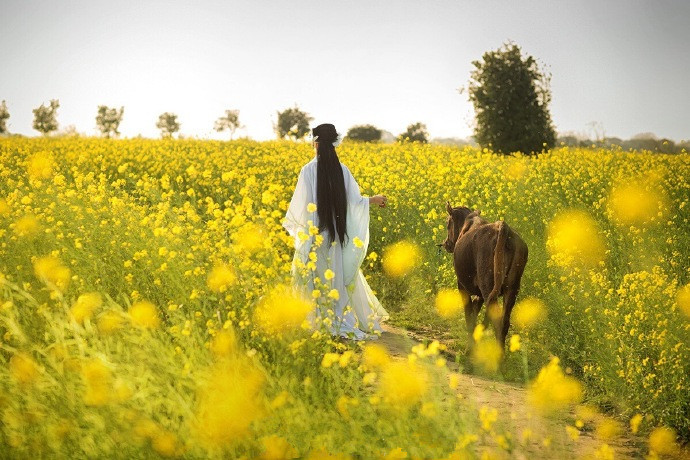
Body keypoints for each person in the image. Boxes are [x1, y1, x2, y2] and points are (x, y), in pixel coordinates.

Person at [283, 123, 389, 340]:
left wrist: (302, 234)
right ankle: (336, 317)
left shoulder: (308, 170)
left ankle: (314, 319)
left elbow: (300, 208)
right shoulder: (342, 170)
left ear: (316, 144)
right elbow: (355, 201)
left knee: (313, 278)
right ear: (334, 144)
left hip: (315, 236)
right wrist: (372, 200)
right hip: (336, 236)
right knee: (335, 280)